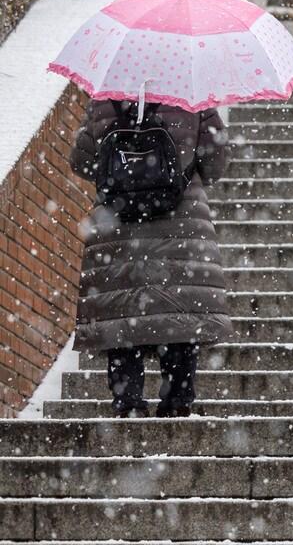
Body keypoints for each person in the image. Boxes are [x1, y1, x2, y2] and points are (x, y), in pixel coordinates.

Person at [69, 99, 231, 418]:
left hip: (117, 224)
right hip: (182, 223)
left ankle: (128, 401)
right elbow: (215, 165)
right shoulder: (193, 99)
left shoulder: (105, 101)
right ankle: (177, 400)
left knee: (120, 312)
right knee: (181, 313)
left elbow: (82, 163)